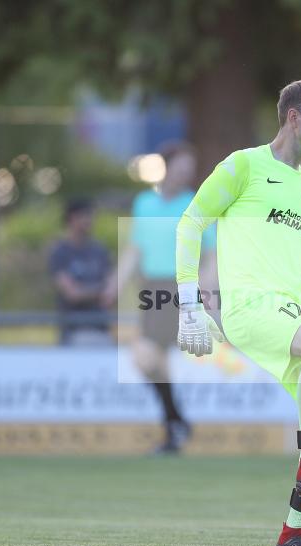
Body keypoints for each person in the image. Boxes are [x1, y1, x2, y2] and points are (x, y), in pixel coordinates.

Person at [175, 80, 301, 546]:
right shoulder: (244, 165)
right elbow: (192, 221)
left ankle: (296, 530)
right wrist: (189, 301)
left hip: (286, 310)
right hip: (250, 306)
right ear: (293, 117)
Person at [103, 142, 217, 454]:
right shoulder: (144, 204)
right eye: (181, 168)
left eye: (189, 171)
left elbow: (211, 254)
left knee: (145, 355)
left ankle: (174, 420)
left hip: (180, 288)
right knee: (156, 361)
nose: (185, 174)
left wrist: (205, 289)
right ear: (166, 166)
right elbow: (135, 250)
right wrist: (115, 283)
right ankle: (174, 426)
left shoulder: (195, 203)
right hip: (151, 289)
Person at [48, 199, 112, 346]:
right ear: (72, 218)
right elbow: (72, 294)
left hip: (101, 330)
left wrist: (89, 292)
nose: (90, 221)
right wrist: (100, 292)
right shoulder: (60, 252)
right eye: (85, 216)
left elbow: (110, 292)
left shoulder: (99, 251)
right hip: (73, 331)